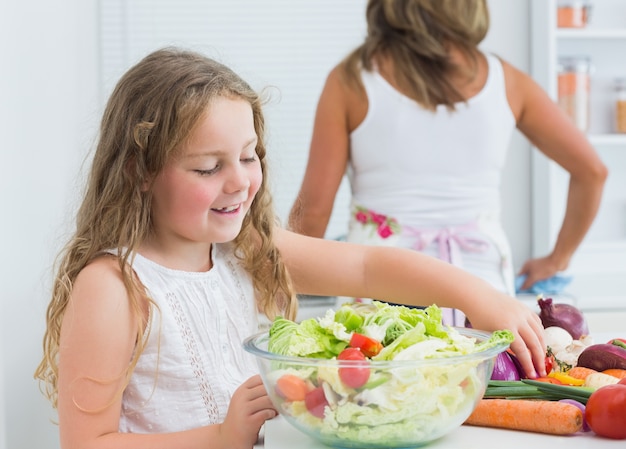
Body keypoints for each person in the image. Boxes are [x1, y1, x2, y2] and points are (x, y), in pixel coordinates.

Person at [34, 47, 546, 449]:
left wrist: (480, 296)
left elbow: (365, 267)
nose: (239, 182)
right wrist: (219, 439)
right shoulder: (113, 286)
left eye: (248, 156)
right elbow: (87, 443)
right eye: (208, 168)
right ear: (139, 171)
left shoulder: (244, 247)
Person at [288, 0, 607, 324]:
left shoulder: (351, 81)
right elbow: (592, 172)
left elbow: (313, 213)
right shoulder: (507, 81)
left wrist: (279, 291)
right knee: (488, 374)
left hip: (379, 295)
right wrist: (557, 259)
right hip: (484, 294)